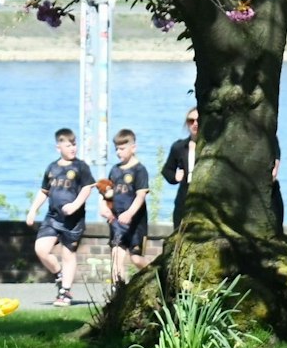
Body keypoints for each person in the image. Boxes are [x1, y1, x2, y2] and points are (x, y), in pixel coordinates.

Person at [26, 128, 92, 307]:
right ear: (58, 147)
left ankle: (65, 292)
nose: (73, 148)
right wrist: (33, 210)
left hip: (73, 220)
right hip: (53, 217)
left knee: (67, 254)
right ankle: (59, 274)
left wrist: (75, 205)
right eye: (69, 145)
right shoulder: (52, 168)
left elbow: (87, 188)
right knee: (41, 248)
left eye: (74, 144)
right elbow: (44, 191)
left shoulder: (81, 167)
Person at [101, 128, 151, 277]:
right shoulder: (115, 170)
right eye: (116, 149)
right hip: (117, 221)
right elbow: (106, 192)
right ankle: (119, 293)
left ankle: (155, 274)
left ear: (133, 148)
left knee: (136, 259)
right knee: (116, 256)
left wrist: (129, 213)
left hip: (136, 222)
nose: (118, 152)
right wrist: (104, 207)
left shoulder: (139, 170)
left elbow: (141, 196)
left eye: (122, 148)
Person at [161, 105, 199, 225]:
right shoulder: (179, 147)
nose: (195, 124)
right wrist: (175, 177)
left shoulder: (212, 147)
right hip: (184, 197)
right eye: (191, 121)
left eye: (198, 120)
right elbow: (167, 170)